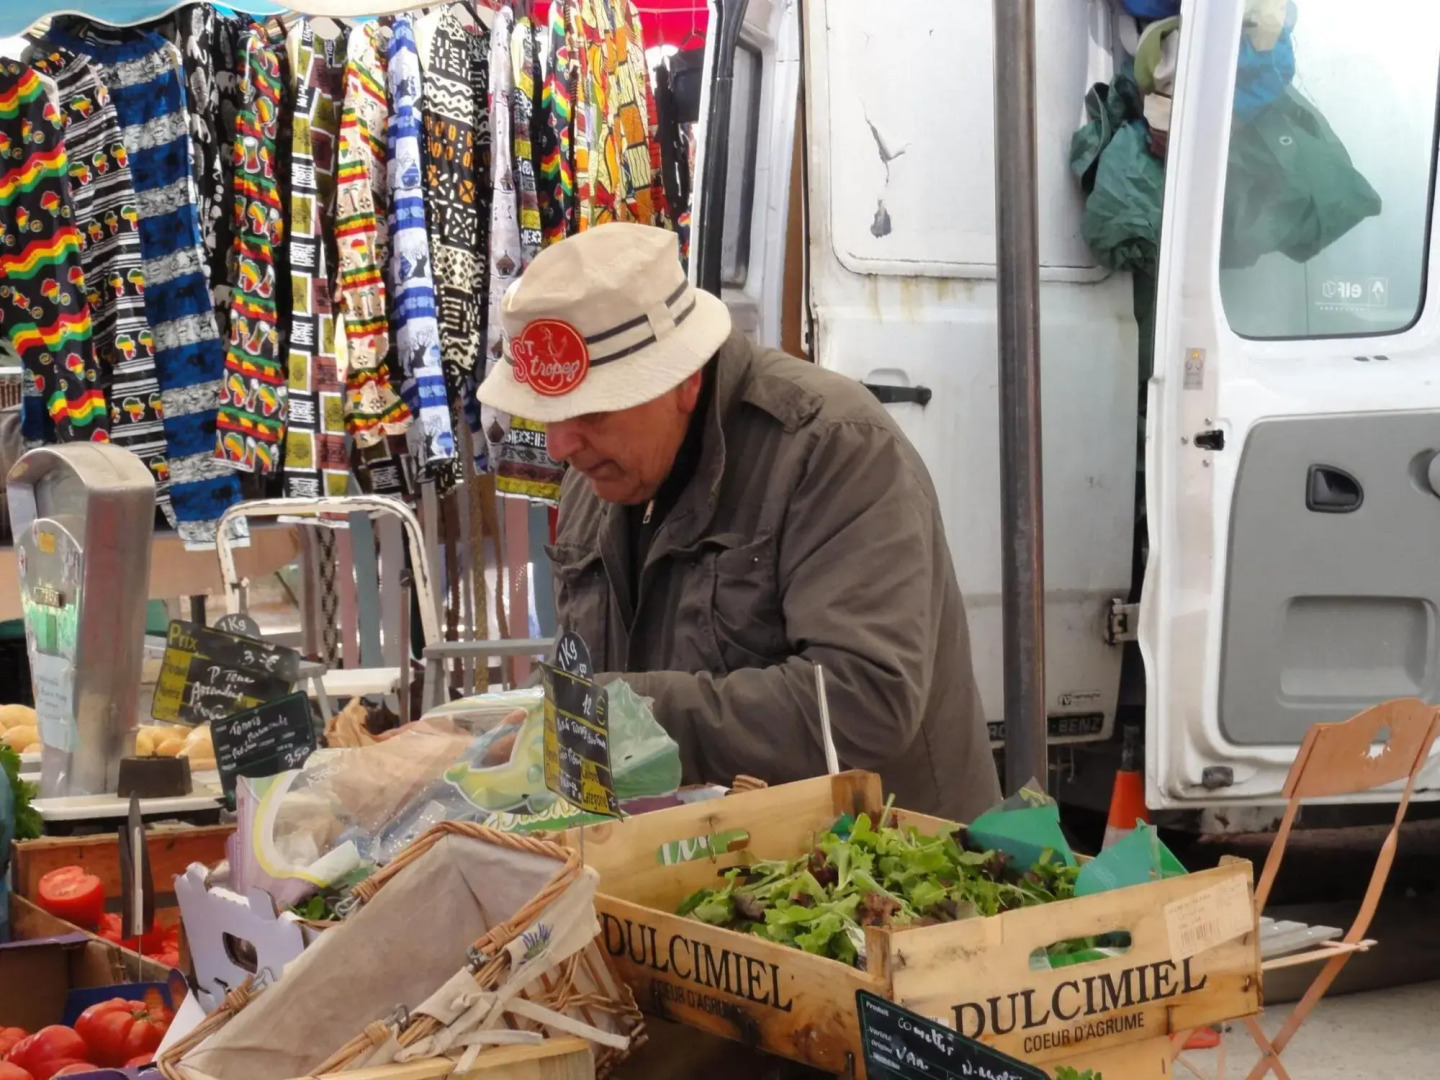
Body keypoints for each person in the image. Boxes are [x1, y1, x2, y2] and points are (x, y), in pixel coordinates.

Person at [477, 223, 1001, 821]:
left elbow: (865, 704)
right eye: (546, 413)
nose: (562, 442)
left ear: (684, 377)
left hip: (890, 877)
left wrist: (613, 715)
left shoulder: (835, 448)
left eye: (592, 410)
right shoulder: (595, 479)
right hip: (694, 867)